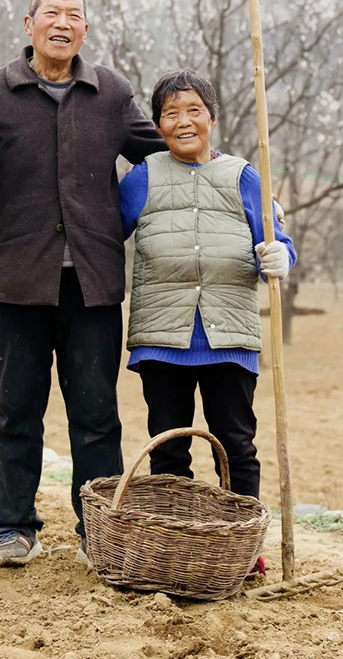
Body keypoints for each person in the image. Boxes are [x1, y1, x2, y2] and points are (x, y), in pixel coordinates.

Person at [0, 0, 166, 568]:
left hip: (92, 284)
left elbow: (160, 153)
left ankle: (99, 534)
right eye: (51, 14)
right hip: (16, 283)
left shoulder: (109, 91)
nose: (62, 23)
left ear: (86, 28)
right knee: (16, 414)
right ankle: (16, 530)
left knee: (96, 416)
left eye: (75, 15)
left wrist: (231, 182)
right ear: (28, 22)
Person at [119, 69, 296, 577]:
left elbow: (276, 239)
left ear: (212, 118)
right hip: (161, 338)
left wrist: (280, 254)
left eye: (194, 110)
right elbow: (103, 233)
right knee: (170, 449)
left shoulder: (242, 176)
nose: (184, 121)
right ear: (158, 124)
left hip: (230, 338)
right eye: (171, 113)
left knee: (237, 445)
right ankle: (173, 549)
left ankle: (242, 550)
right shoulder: (142, 177)